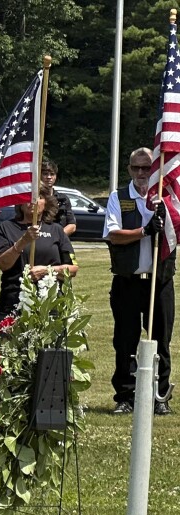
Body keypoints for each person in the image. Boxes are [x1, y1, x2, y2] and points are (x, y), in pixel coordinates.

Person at [103, 146, 173, 415]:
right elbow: (113, 234)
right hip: (128, 281)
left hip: (160, 281)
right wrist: (144, 231)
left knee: (161, 341)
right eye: (136, 167)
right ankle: (125, 396)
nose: (142, 173)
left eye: (147, 167)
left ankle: (160, 397)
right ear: (129, 169)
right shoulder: (119, 198)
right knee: (125, 340)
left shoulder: (167, 198)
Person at [0, 192, 77, 321]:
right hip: (15, 300)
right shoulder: (7, 228)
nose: (32, 201)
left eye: (38, 197)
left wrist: (47, 271)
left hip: (51, 303)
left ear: (46, 203)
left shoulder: (56, 230)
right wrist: (23, 241)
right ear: (20, 203)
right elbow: (3, 264)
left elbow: (72, 269)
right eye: (28, 197)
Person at [40, 159, 76, 237]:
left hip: (58, 240)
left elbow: (72, 225)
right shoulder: (34, 197)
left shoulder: (63, 199)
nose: (49, 177)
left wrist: (56, 237)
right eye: (45, 174)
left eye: (52, 174)